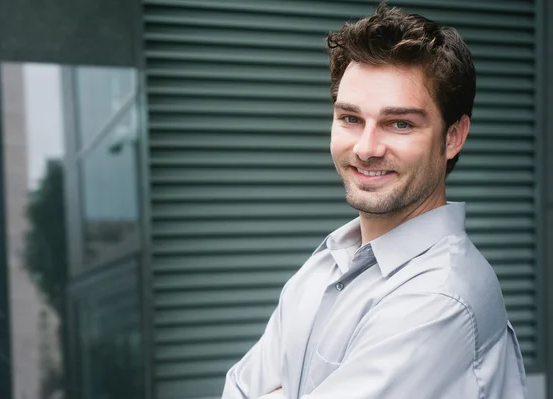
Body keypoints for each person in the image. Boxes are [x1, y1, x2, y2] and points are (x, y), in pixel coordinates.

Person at [221, 3, 527, 399]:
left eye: (400, 123)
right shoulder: (327, 263)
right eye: (350, 118)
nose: (366, 148)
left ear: (453, 137)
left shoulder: (441, 298)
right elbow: (236, 389)